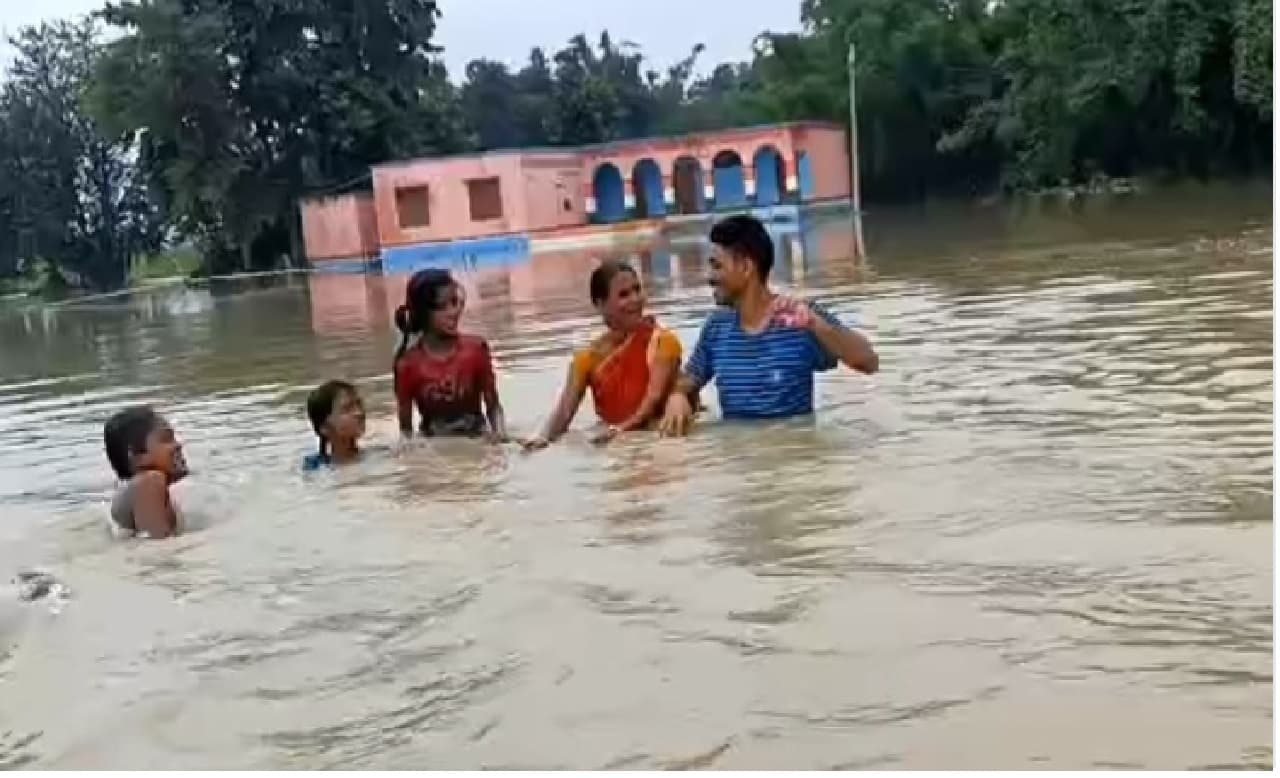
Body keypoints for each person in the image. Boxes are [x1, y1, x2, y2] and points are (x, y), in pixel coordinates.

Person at [659, 215, 878, 436]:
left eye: (717, 266)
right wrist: (678, 396)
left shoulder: (801, 318)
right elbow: (688, 380)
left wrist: (817, 325)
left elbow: (869, 362)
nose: (710, 277)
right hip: (738, 453)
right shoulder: (716, 328)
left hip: (793, 450)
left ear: (746, 267)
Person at [525, 260, 683, 450]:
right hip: (618, 441)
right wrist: (541, 439)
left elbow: (653, 400)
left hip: (660, 438)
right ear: (600, 304)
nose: (635, 299)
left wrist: (621, 429)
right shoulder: (586, 360)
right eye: (624, 294)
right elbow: (563, 415)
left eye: (637, 289)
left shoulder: (663, 342)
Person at [393, 268, 511, 442]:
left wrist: (500, 434)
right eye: (442, 307)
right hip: (435, 447)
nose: (453, 312)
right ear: (423, 313)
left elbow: (493, 407)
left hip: (477, 439)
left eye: (454, 302)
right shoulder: (407, 365)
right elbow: (405, 432)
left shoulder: (476, 349)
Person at [103, 405, 188, 539]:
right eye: (166, 439)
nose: (178, 445)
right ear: (137, 456)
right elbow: (158, 544)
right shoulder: (149, 481)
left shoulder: (137, 487)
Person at [304, 379, 367, 470]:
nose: (359, 413)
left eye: (359, 404)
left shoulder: (381, 455)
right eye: (347, 409)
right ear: (324, 427)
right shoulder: (316, 470)